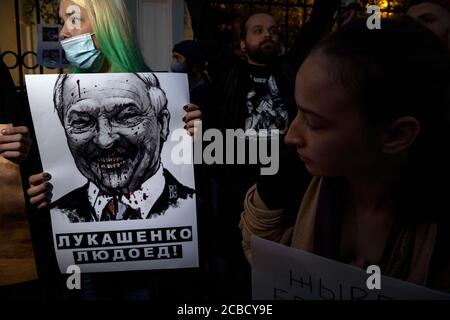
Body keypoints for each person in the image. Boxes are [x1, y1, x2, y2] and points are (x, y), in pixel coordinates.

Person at [240, 16, 450, 293]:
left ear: (396, 135)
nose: (291, 136)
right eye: (297, 111)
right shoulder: (292, 175)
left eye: (315, 123)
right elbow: (255, 242)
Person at [21, 0, 202, 300]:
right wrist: (39, 190)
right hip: (81, 272)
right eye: (82, 122)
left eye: (73, 19)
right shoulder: (57, 99)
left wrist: (193, 142)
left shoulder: (160, 93)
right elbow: (45, 179)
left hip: (153, 278)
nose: (64, 33)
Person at [50, 73, 195, 223]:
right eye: (82, 122)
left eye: (126, 117)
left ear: (162, 124)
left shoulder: (197, 205)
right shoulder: (56, 216)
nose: (104, 141)